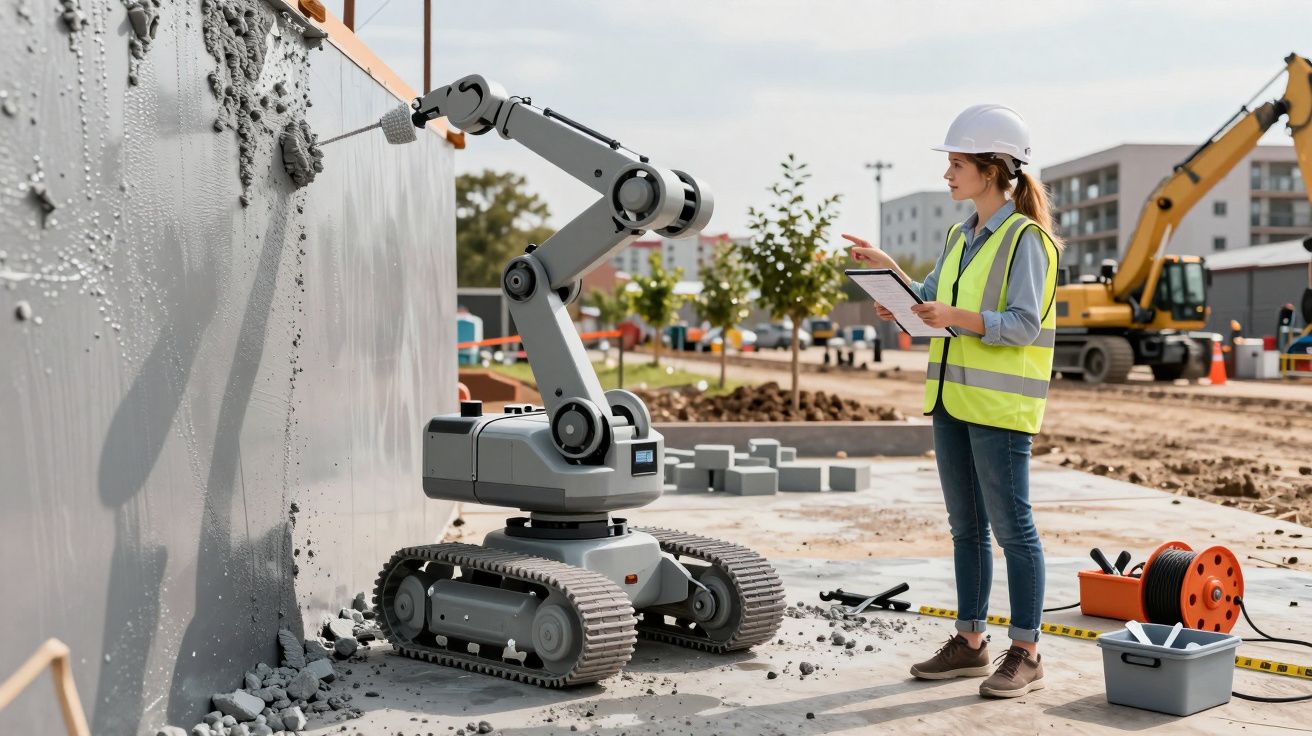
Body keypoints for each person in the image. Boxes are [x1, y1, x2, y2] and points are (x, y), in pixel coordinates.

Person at [843, 104, 1062, 698]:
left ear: (992, 169)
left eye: (957, 163)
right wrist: (893, 283)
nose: (948, 174)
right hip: (950, 400)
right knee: (966, 529)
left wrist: (954, 317)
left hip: (999, 411)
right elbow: (931, 306)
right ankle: (970, 644)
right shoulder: (959, 236)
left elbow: (1020, 324)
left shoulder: (1027, 240)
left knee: (1014, 531)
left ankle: (1027, 652)